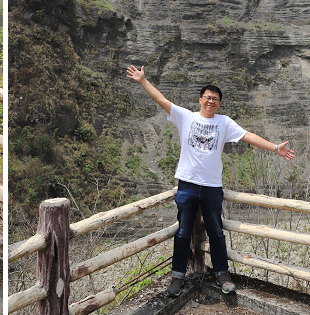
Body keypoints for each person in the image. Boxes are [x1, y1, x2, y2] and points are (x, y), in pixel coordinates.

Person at [126, 64, 294, 297]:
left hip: (213, 186)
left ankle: (222, 275)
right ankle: (177, 277)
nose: (211, 101)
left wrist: (275, 147)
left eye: (215, 99)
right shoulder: (186, 117)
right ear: (200, 99)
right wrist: (143, 81)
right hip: (187, 184)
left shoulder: (224, 122)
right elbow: (161, 99)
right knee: (183, 232)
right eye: (207, 97)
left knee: (216, 232)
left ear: (219, 103)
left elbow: (248, 136)